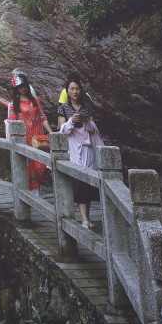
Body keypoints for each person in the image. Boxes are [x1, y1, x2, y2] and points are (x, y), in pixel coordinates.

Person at [57, 76, 103, 228]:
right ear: (67, 91)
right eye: (71, 89)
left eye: (77, 88)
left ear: (81, 90)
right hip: (73, 145)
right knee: (79, 179)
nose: (74, 92)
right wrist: (72, 121)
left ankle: (87, 218)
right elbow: (61, 129)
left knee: (88, 179)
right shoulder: (63, 108)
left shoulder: (87, 106)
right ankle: (84, 219)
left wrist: (85, 121)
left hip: (87, 146)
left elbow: (94, 128)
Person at [0, 72, 52, 191]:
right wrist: (11, 140)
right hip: (24, 137)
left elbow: (42, 117)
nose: (23, 88)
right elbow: (11, 122)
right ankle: (30, 193)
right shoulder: (14, 104)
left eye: (24, 85)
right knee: (28, 166)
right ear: (16, 88)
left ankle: (36, 191)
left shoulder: (35, 100)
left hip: (37, 137)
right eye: (20, 86)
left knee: (41, 166)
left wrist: (51, 132)